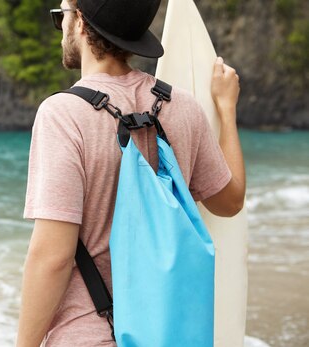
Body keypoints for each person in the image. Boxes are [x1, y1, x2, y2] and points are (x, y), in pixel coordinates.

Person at [16, 0, 246, 346]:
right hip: (169, 331)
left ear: (79, 22)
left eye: (61, 14)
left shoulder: (62, 115)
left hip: (87, 335)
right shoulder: (182, 106)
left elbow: (52, 257)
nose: (61, 25)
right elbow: (230, 202)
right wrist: (226, 112)